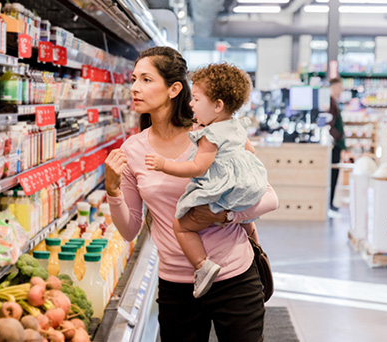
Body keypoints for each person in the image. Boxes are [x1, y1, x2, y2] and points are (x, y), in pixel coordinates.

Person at [105, 46, 279, 342]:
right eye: (134, 79)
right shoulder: (133, 150)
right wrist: (113, 190)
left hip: (233, 275)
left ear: (174, 89)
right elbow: (130, 229)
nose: (135, 87)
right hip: (176, 286)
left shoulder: (214, 135)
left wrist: (224, 215)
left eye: (146, 80)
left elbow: (269, 197)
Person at [144, 63, 268, 298]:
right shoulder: (236, 126)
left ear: (218, 105)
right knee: (246, 222)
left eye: (197, 99)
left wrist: (164, 165)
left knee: (180, 225)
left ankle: (202, 265)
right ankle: (254, 250)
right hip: (247, 184)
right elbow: (248, 156)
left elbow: (197, 168)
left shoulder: (209, 135)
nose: (191, 103)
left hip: (221, 189)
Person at [328, 77, 346, 214]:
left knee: (334, 174)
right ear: (333, 87)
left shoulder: (333, 102)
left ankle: (331, 203)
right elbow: (329, 124)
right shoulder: (329, 102)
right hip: (334, 145)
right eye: (340, 87)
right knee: (333, 174)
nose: (341, 90)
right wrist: (337, 136)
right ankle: (329, 204)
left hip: (336, 144)